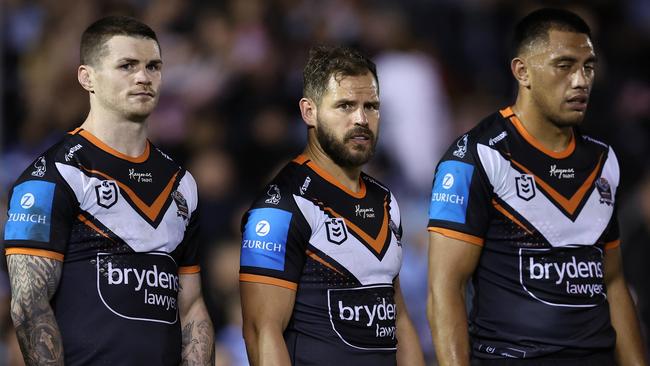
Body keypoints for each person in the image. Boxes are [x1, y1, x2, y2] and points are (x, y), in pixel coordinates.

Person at [426, 8, 647, 365]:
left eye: (588, 67)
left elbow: (614, 282)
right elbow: (445, 290)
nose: (581, 81)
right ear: (522, 71)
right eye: (564, 65)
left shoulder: (604, 161)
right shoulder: (475, 157)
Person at [3, 16, 214, 365]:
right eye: (127, 65)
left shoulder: (182, 183)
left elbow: (191, 306)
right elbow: (29, 306)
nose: (143, 77)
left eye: (153, 66)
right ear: (87, 77)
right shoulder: (52, 177)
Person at [239, 45, 424, 366]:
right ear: (309, 111)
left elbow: (398, 319)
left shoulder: (385, 201)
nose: (361, 119)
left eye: (372, 106)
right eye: (345, 106)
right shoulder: (282, 205)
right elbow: (261, 332)